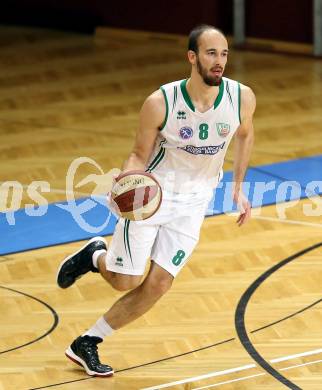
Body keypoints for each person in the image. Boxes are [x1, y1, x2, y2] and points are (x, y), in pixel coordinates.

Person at [56, 24, 255, 377]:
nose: (219, 61)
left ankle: (87, 341)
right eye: (211, 53)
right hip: (153, 196)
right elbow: (138, 154)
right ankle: (96, 255)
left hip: (196, 201)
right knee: (125, 280)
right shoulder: (161, 102)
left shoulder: (242, 97)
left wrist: (238, 188)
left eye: (224, 53)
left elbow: (245, 134)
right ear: (192, 57)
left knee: (160, 283)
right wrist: (125, 179)